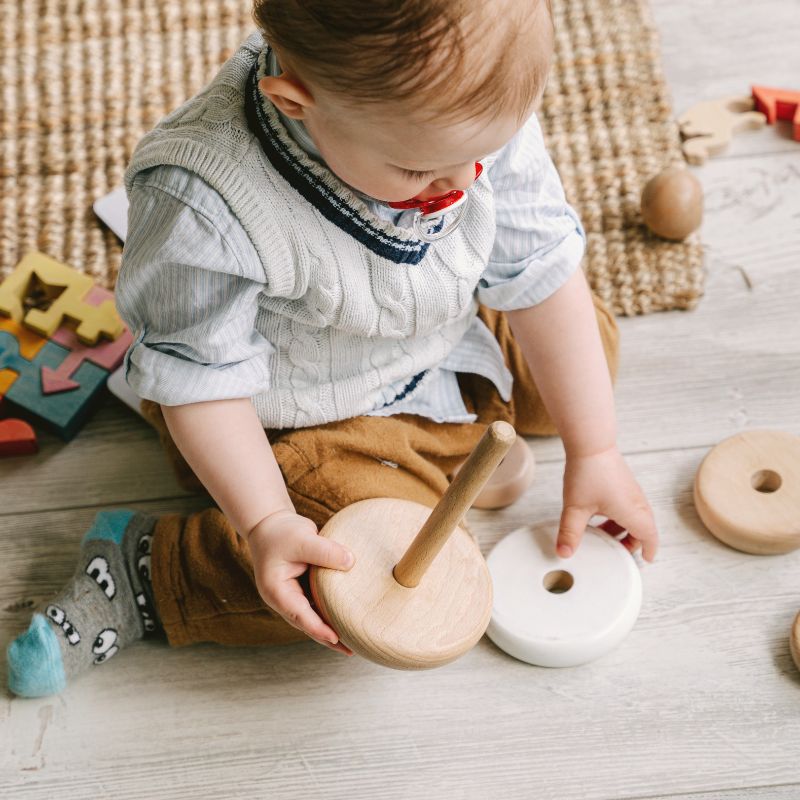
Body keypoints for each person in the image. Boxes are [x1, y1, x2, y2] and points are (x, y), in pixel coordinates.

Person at [7, 0, 658, 698]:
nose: (463, 183)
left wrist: (597, 450)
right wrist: (264, 522)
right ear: (294, 102)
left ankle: (454, 434)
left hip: (437, 329)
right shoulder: (202, 201)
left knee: (585, 349)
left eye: (480, 154)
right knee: (352, 577)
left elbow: (537, 268)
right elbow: (203, 385)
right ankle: (148, 573)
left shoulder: (459, 118)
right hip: (296, 416)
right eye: (420, 172)